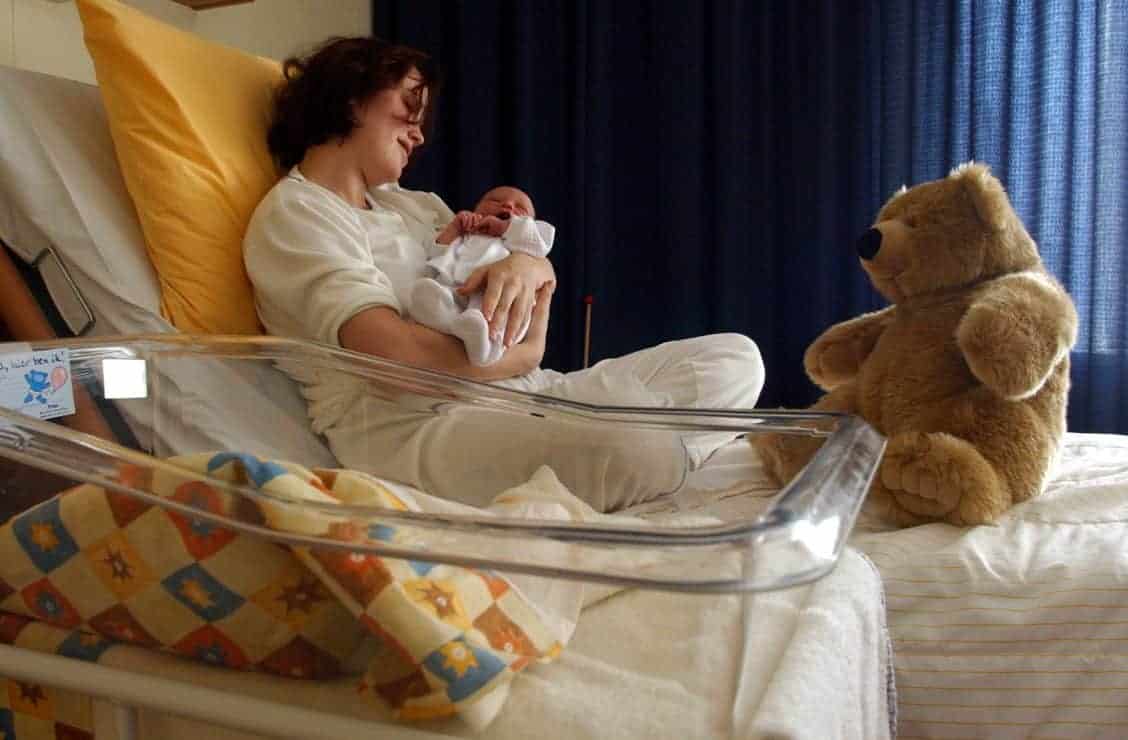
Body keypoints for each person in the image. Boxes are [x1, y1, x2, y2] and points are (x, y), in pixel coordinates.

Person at [243, 36, 765, 511]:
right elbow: (394, 357)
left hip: (528, 390)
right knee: (638, 448)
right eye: (408, 107)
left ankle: (640, 460)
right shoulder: (299, 212)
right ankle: (649, 459)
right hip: (418, 422)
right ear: (350, 97)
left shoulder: (416, 206)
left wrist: (531, 264)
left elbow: (499, 261)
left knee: (736, 359)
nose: (419, 134)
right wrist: (528, 352)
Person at [411, 186, 555, 366]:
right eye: (495, 201)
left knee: (495, 311)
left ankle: (487, 345)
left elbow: (539, 242)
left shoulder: (523, 245)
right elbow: (435, 254)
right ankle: (441, 316)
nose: (508, 205)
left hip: (497, 292)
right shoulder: (467, 234)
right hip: (458, 286)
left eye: (520, 207)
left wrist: (505, 227)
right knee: (440, 293)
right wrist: (454, 229)